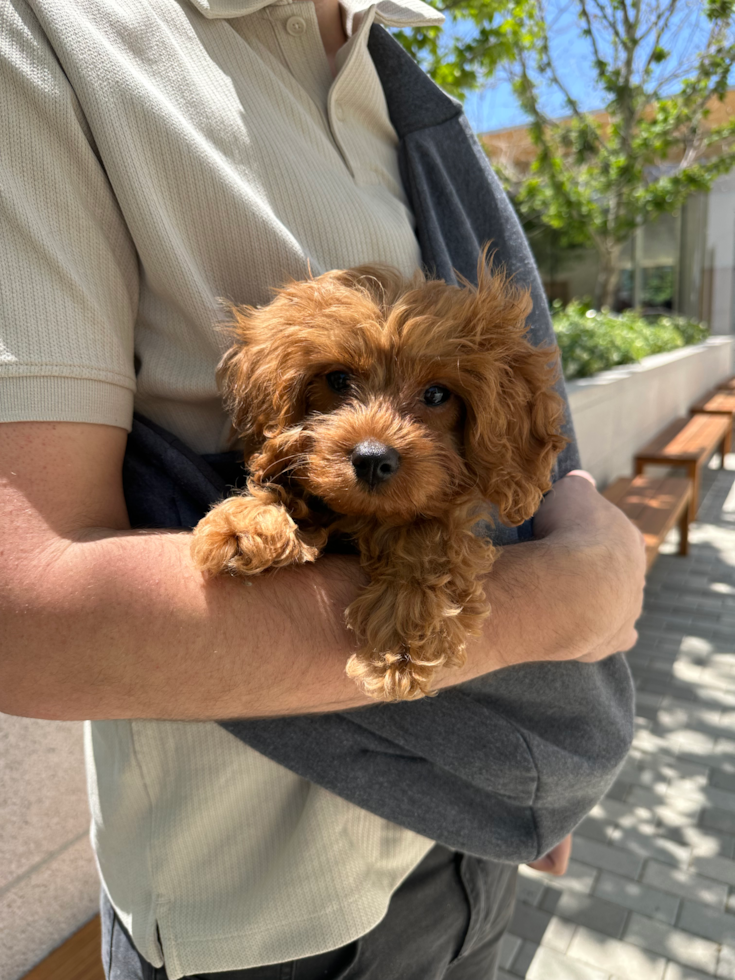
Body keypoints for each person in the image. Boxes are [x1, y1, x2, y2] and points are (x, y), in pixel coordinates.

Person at [0, 0, 646, 976]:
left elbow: (526, 456)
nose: (382, 433)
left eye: (432, 395)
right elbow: (27, 606)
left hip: (475, 840)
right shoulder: (53, 31)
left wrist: (535, 757)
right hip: (260, 915)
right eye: (338, 383)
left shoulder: (408, 86)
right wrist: (560, 605)